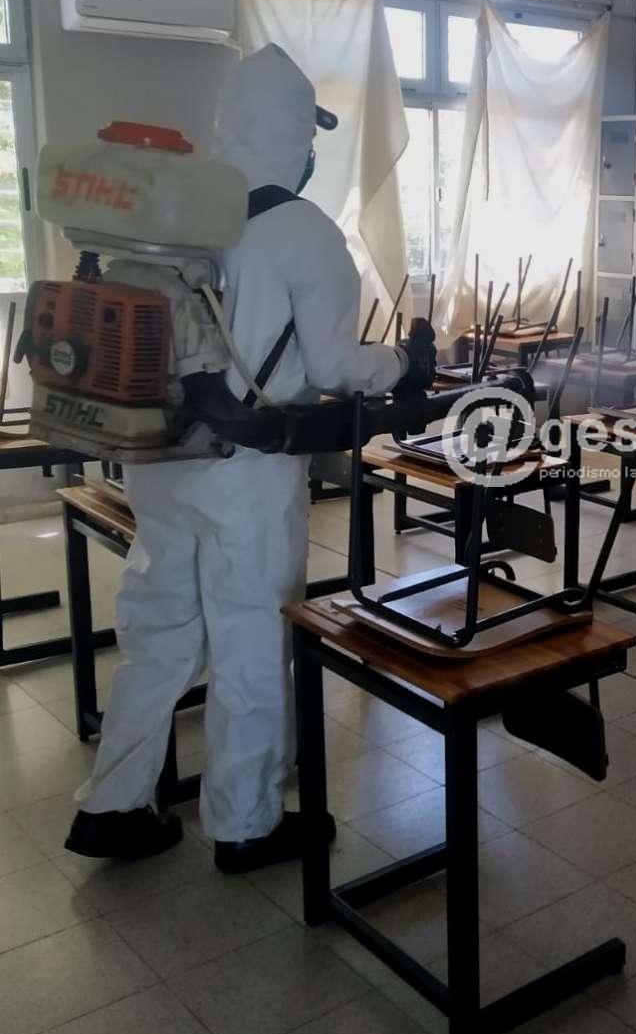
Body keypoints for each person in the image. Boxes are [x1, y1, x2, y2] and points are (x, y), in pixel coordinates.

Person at [66, 44, 410, 873]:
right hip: (246, 474)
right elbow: (333, 367)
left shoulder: (173, 208)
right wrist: (401, 363)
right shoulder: (303, 231)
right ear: (295, 137)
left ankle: (112, 806)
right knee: (252, 638)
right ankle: (246, 822)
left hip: (158, 458)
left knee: (161, 635)